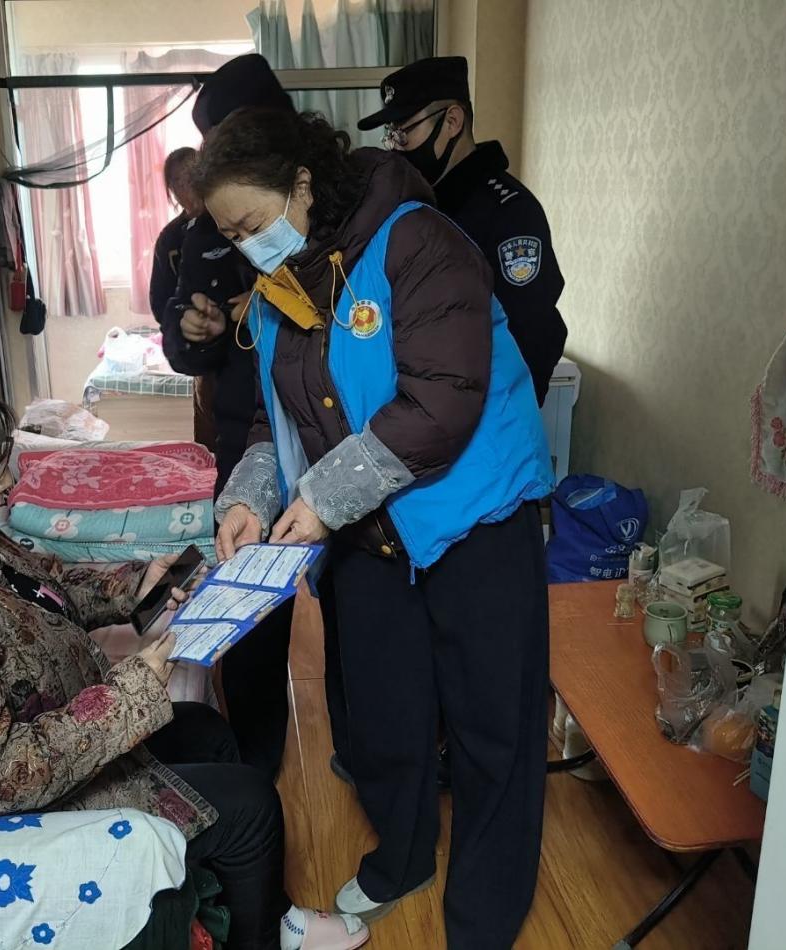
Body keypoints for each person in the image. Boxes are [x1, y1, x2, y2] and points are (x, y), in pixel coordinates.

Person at [0, 368, 368, 950]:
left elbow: (44, 588)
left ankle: (210, 911)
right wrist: (130, 694)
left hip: (59, 737)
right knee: (251, 807)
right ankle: (261, 933)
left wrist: (138, 586)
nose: (8, 482)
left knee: (206, 733)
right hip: (3, 826)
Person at [193, 108, 554, 948]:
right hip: (366, 530)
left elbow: (441, 400)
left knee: (491, 725)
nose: (247, 247)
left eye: (251, 224)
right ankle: (402, 859)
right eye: (231, 235)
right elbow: (273, 422)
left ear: (301, 184)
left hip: (471, 515)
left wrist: (322, 500)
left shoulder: (416, 241)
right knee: (384, 716)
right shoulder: (280, 289)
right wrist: (247, 498)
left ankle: (484, 911)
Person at [161, 53, 351, 780]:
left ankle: (356, 741)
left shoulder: (335, 211)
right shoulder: (201, 231)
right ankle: (253, 761)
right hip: (250, 430)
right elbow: (182, 341)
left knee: (349, 596)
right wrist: (201, 330)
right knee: (249, 606)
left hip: (337, 434)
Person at [358, 55, 567, 406]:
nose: (395, 147)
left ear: (452, 121)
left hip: (487, 415)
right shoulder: (415, 205)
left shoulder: (509, 212)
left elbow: (528, 337)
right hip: (425, 405)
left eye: (404, 133)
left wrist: (494, 420)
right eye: (390, 136)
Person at [150, 147, 217, 454]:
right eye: (177, 180)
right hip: (198, 350)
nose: (186, 185)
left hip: (239, 342)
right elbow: (160, 301)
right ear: (171, 190)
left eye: (191, 175)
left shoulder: (225, 222)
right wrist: (183, 326)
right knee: (208, 430)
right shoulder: (170, 238)